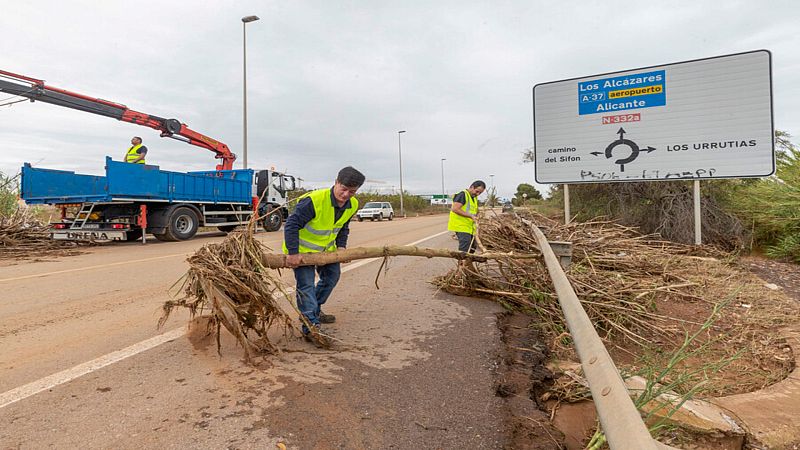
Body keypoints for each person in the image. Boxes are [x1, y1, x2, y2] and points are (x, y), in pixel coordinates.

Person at [282, 166, 365, 342]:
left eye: (352, 191)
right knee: (306, 286)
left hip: (326, 251)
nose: (346, 195)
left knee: (331, 278)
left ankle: (314, 310)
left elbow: (343, 227)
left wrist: (341, 248)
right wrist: (293, 253)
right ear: (336, 183)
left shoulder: (353, 204)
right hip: (302, 252)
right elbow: (291, 225)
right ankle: (311, 328)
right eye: (343, 189)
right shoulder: (313, 201)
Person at [448, 180, 486, 254]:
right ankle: (462, 264)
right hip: (461, 225)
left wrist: (478, 215)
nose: (477, 194)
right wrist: (471, 216)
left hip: (469, 227)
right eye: (477, 191)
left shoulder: (474, 198)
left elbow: (473, 210)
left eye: (480, 193)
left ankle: (468, 263)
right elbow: (455, 209)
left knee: (472, 247)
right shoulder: (462, 195)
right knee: (465, 247)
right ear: (471, 187)